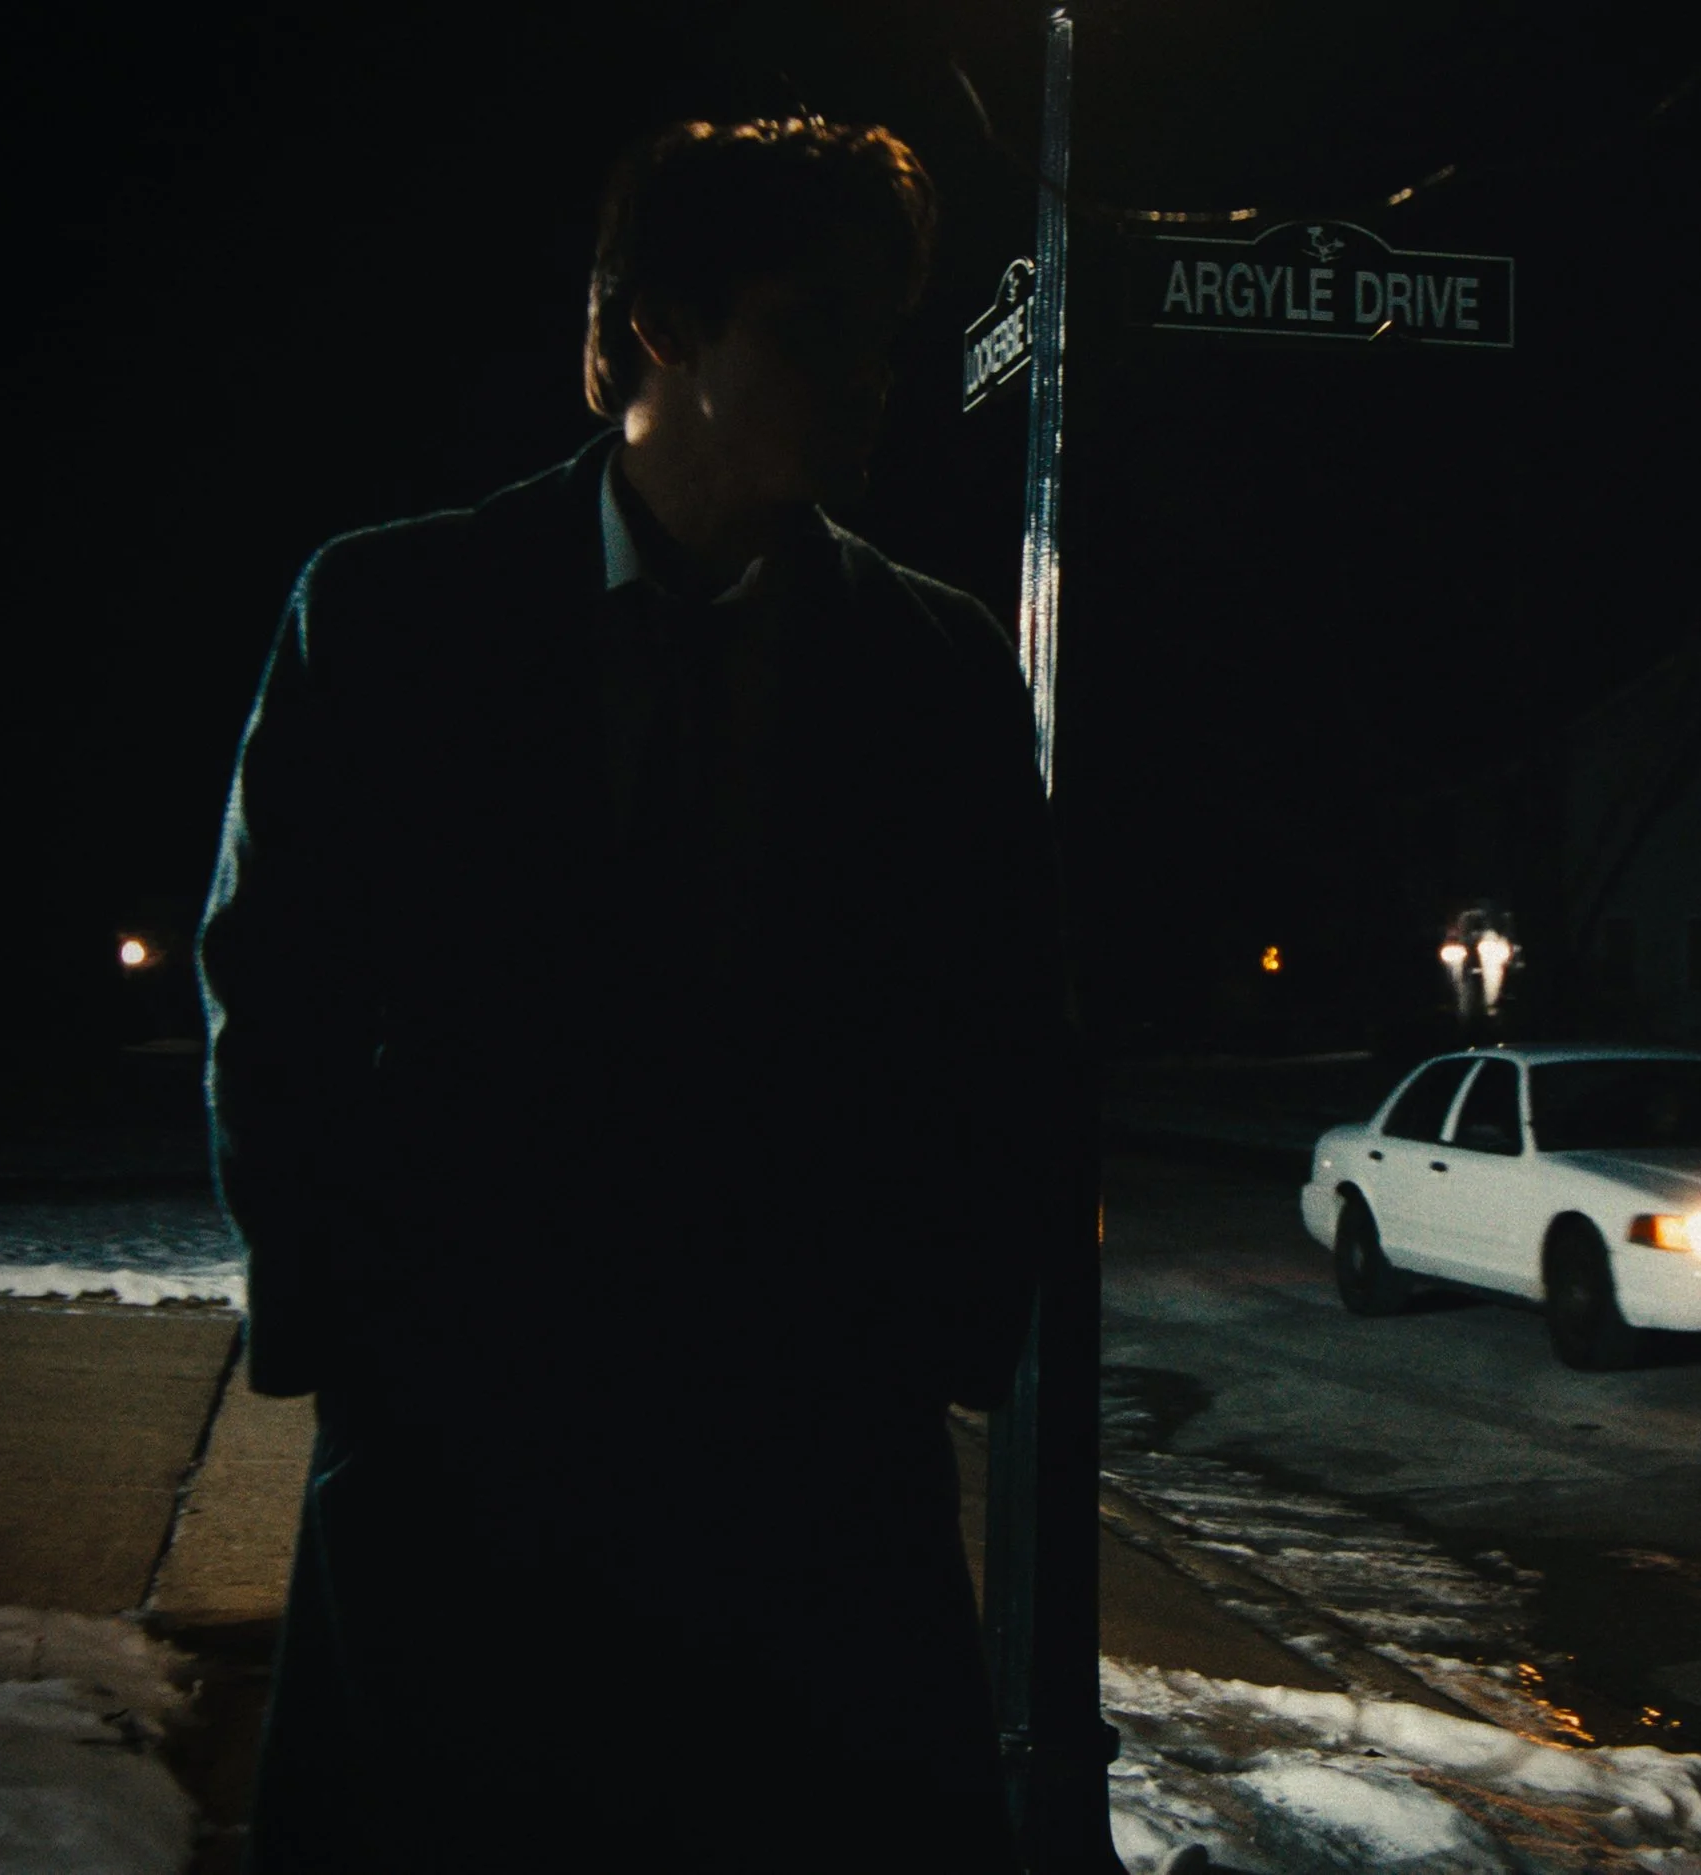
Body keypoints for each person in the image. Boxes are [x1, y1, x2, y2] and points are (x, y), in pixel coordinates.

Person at [198, 115, 1081, 1873]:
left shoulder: (934, 670)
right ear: (660, 326)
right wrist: (351, 1334)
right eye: (818, 323)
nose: (874, 376)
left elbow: (1009, 1042)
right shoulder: (391, 616)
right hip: (470, 1473)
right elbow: (271, 994)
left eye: (886, 329)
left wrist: (931, 1338)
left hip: (809, 1495)